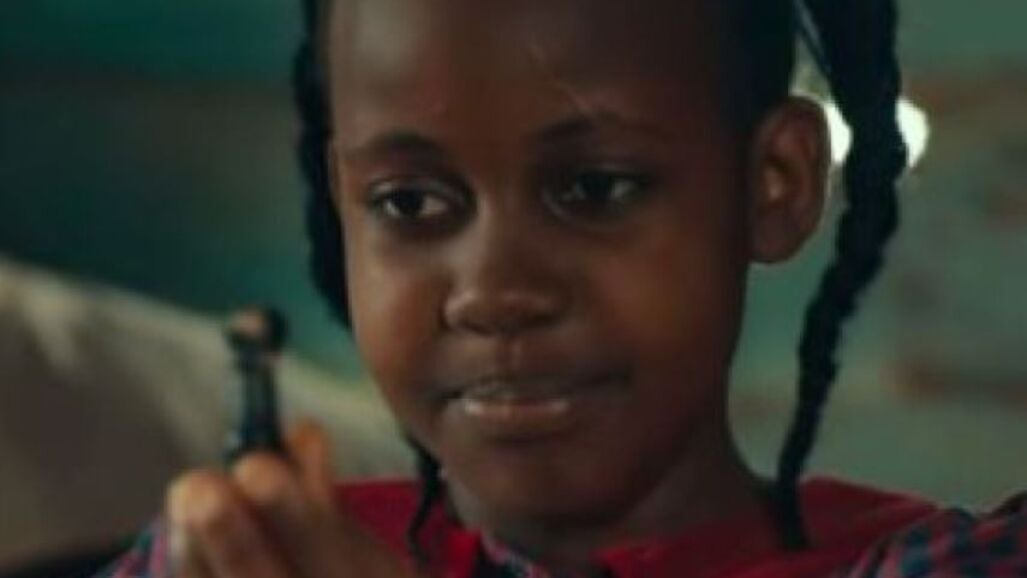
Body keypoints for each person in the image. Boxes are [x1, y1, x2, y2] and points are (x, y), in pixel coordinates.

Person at [101, 0, 1027, 577]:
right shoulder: (238, 563)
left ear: (773, 184)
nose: (495, 292)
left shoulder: (941, 565)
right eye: (410, 202)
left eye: (593, 188)